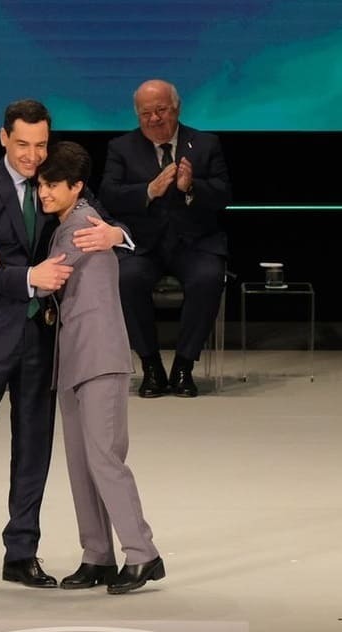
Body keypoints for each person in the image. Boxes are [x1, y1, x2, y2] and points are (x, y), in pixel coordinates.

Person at [0, 99, 130, 592]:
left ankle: (21, 552)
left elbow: (100, 223)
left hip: (40, 338)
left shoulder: (56, 182)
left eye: (40, 145)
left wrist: (118, 235)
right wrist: (28, 277)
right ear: (4, 138)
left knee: (33, 447)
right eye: (22, 144)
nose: (32, 155)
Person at [35, 141, 165, 595]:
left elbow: (46, 279)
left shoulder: (83, 225)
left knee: (105, 461)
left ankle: (143, 553)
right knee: (80, 465)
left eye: (52, 185)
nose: (43, 192)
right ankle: (97, 555)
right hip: (73, 359)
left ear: (77, 187)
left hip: (99, 358)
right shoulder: (68, 223)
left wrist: (2, 274)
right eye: (40, 184)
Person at [100, 79, 232, 399]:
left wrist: (191, 187)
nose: (154, 118)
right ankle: (151, 366)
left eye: (161, 110)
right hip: (144, 246)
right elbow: (108, 196)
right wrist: (148, 190)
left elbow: (223, 195)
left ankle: (184, 366)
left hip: (195, 242)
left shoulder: (205, 144)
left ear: (177, 109)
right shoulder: (121, 148)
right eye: (146, 113)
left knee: (208, 278)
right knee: (126, 278)